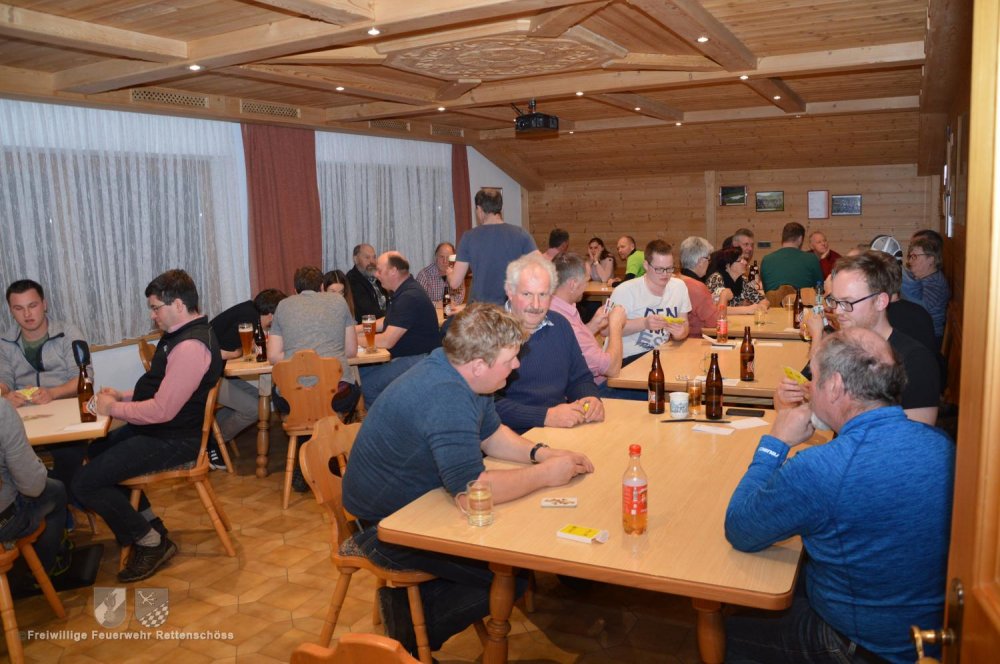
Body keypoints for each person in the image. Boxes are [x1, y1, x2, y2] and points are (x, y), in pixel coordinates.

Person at [342, 303, 595, 658]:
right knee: (509, 576)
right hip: (383, 526)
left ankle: (411, 609)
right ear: (478, 365)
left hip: (416, 502)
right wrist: (545, 475)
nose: (517, 365)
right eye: (510, 359)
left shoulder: (462, 372)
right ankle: (408, 625)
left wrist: (543, 453)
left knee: (511, 560)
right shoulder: (445, 395)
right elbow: (472, 492)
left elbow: (491, 435)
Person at [725, 328, 954, 664]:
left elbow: (740, 527)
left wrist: (776, 442)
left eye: (814, 378)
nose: (809, 387)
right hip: (926, 637)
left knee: (728, 631)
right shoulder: (942, 445)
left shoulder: (822, 466)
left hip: (861, 645)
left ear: (834, 386)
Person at [72, 269, 224, 582]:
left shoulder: (190, 347)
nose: (153, 315)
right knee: (97, 451)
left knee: (85, 484)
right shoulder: (181, 334)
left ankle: (150, 542)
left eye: (155, 308)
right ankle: (149, 523)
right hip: (163, 430)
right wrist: (122, 395)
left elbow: (163, 410)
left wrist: (113, 408)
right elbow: (161, 390)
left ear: (178, 305)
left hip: (175, 439)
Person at [782, 250, 940, 425]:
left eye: (847, 302)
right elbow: (800, 387)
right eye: (835, 301)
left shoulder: (916, 361)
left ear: (880, 301)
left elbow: (914, 437)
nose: (837, 311)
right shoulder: (836, 344)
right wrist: (786, 397)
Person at [495, 254, 604, 434]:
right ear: (509, 291)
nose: (536, 305)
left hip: (561, 427)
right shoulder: (490, 330)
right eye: (527, 294)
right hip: (509, 435)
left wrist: (589, 397)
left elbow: (580, 378)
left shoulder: (560, 324)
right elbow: (486, 403)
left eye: (543, 294)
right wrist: (545, 416)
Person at [267, 266, 360, 417]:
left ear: (295, 291)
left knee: (278, 393)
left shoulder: (283, 305)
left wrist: (300, 355)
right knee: (353, 388)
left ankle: (306, 429)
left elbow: (272, 356)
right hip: (337, 393)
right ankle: (331, 428)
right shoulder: (339, 301)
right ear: (322, 287)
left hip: (293, 395)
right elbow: (350, 351)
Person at [209, 289, 287, 463]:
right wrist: (237, 353)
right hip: (206, 378)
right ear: (271, 314)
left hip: (218, 373)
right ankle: (213, 442)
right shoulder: (248, 318)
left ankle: (211, 433)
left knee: (259, 399)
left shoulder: (249, 312)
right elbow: (220, 350)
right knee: (255, 409)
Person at [358, 252, 441, 406]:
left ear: (393, 271)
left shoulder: (409, 297)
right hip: (411, 356)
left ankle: (385, 419)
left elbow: (387, 341)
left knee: (368, 386)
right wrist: (355, 329)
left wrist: (353, 340)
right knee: (359, 374)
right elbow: (387, 321)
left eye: (380, 271)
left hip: (420, 359)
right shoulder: (405, 290)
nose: (376, 275)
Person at [0, 399, 70, 581]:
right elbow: (32, 487)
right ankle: (41, 572)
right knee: (56, 490)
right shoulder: (2, 410)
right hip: (3, 522)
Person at [1, 279, 86, 407]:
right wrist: (5, 396)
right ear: (11, 311)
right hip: (24, 410)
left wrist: (52, 393)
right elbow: (4, 380)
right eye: (19, 308)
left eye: (32, 306)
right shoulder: (4, 342)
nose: (27, 314)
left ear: (44, 305)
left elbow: (83, 378)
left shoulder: (68, 333)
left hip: (65, 405)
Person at [549, 253, 627, 388]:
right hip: (593, 389)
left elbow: (574, 343)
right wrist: (616, 325)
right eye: (586, 280)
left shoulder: (558, 306)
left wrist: (593, 325)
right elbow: (612, 369)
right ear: (573, 284)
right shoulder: (563, 320)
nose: (587, 286)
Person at [449, 188, 538, 305]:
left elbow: (455, 283)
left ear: (479, 209)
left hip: (482, 310)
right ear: (500, 208)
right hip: (511, 308)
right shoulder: (521, 234)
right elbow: (542, 268)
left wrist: (449, 273)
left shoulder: (469, 237)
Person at [608, 240, 691, 364]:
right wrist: (644, 323)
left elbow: (685, 325)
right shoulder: (625, 290)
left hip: (662, 354)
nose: (665, 274)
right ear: (646, 265)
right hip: (629, 357)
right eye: (659, 269)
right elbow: (606, 330)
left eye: (669, 269)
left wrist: (681, 333)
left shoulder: (679, 287)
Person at [904, 234, 950, 346]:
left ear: (931, 259)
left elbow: (921, 310)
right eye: (910, 256)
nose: (910, 261)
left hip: (929, 339)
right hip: (920, 332)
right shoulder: (924, 277)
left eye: (915, 256)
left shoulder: (936, 284)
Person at [760, 222, 824, 292]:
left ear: (783, 238)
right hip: (802, 299)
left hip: (773, 299)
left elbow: (765, 289)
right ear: (800, 239)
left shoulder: (766, 260)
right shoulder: (811, 259)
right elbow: (820, 288)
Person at [705, 247, 768, 315]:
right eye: (740, 260)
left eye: (744, 259)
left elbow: (763, 300)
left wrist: (762, 307)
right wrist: (747, 309)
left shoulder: (743, 280)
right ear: (727, 265)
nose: (745, 262)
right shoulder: (716, 279)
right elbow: (716, 309)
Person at [677, 236, 718, 336]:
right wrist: (724, 298)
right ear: (701, 261)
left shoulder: (675, 280)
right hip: (695, 341)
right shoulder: (697, 287)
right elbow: (716, 323)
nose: (709, 263)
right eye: (708, 259)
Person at [346, 243, 388, 323]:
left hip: (385, 323)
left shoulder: (378, 277)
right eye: (367, 257)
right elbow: (368, 312)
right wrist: (392, 316)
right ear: (356, 259)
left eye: (374, 257)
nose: (372, 261)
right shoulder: (352, 280)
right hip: (367, 327)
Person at [415, 242, 465, 307]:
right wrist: (436, 304)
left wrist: (450, 303)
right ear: (436, 257)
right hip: (432, 312)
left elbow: (460, 296)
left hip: (452, 310)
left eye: (448, 257)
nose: (445, 261)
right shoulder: (424, 275)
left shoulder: (457, 273)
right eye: (442, 257)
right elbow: (418, 300)